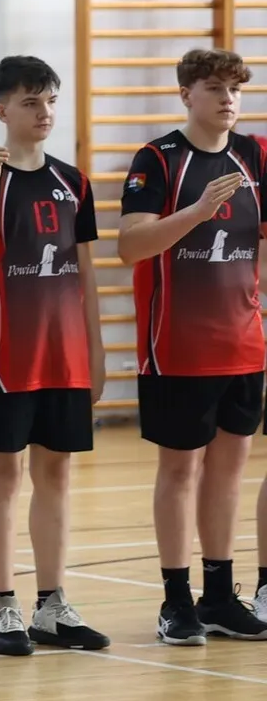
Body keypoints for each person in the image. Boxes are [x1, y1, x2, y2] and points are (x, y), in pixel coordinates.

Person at [0, 57, 110, 655]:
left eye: (50, 101)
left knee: (56, 473)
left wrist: (96, 349)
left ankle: (52, 605)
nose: (44, 113)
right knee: (5, 473)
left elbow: (85, 273)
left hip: (64, 353)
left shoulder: (73, 181)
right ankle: (2, 606)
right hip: (5, 354)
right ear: (2, 110)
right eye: (30, 102)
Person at [116, 48, 267, 645]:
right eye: (215, 88)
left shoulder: (253, 155)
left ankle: (219, 597)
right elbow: (131, 246)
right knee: (180, 469)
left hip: (243, 343)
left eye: (235, 89)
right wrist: (199, 211)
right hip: (176, 346)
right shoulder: (158, 159)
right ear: (186, 95)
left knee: (228, 472)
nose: (228, 99)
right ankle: (175, 601)